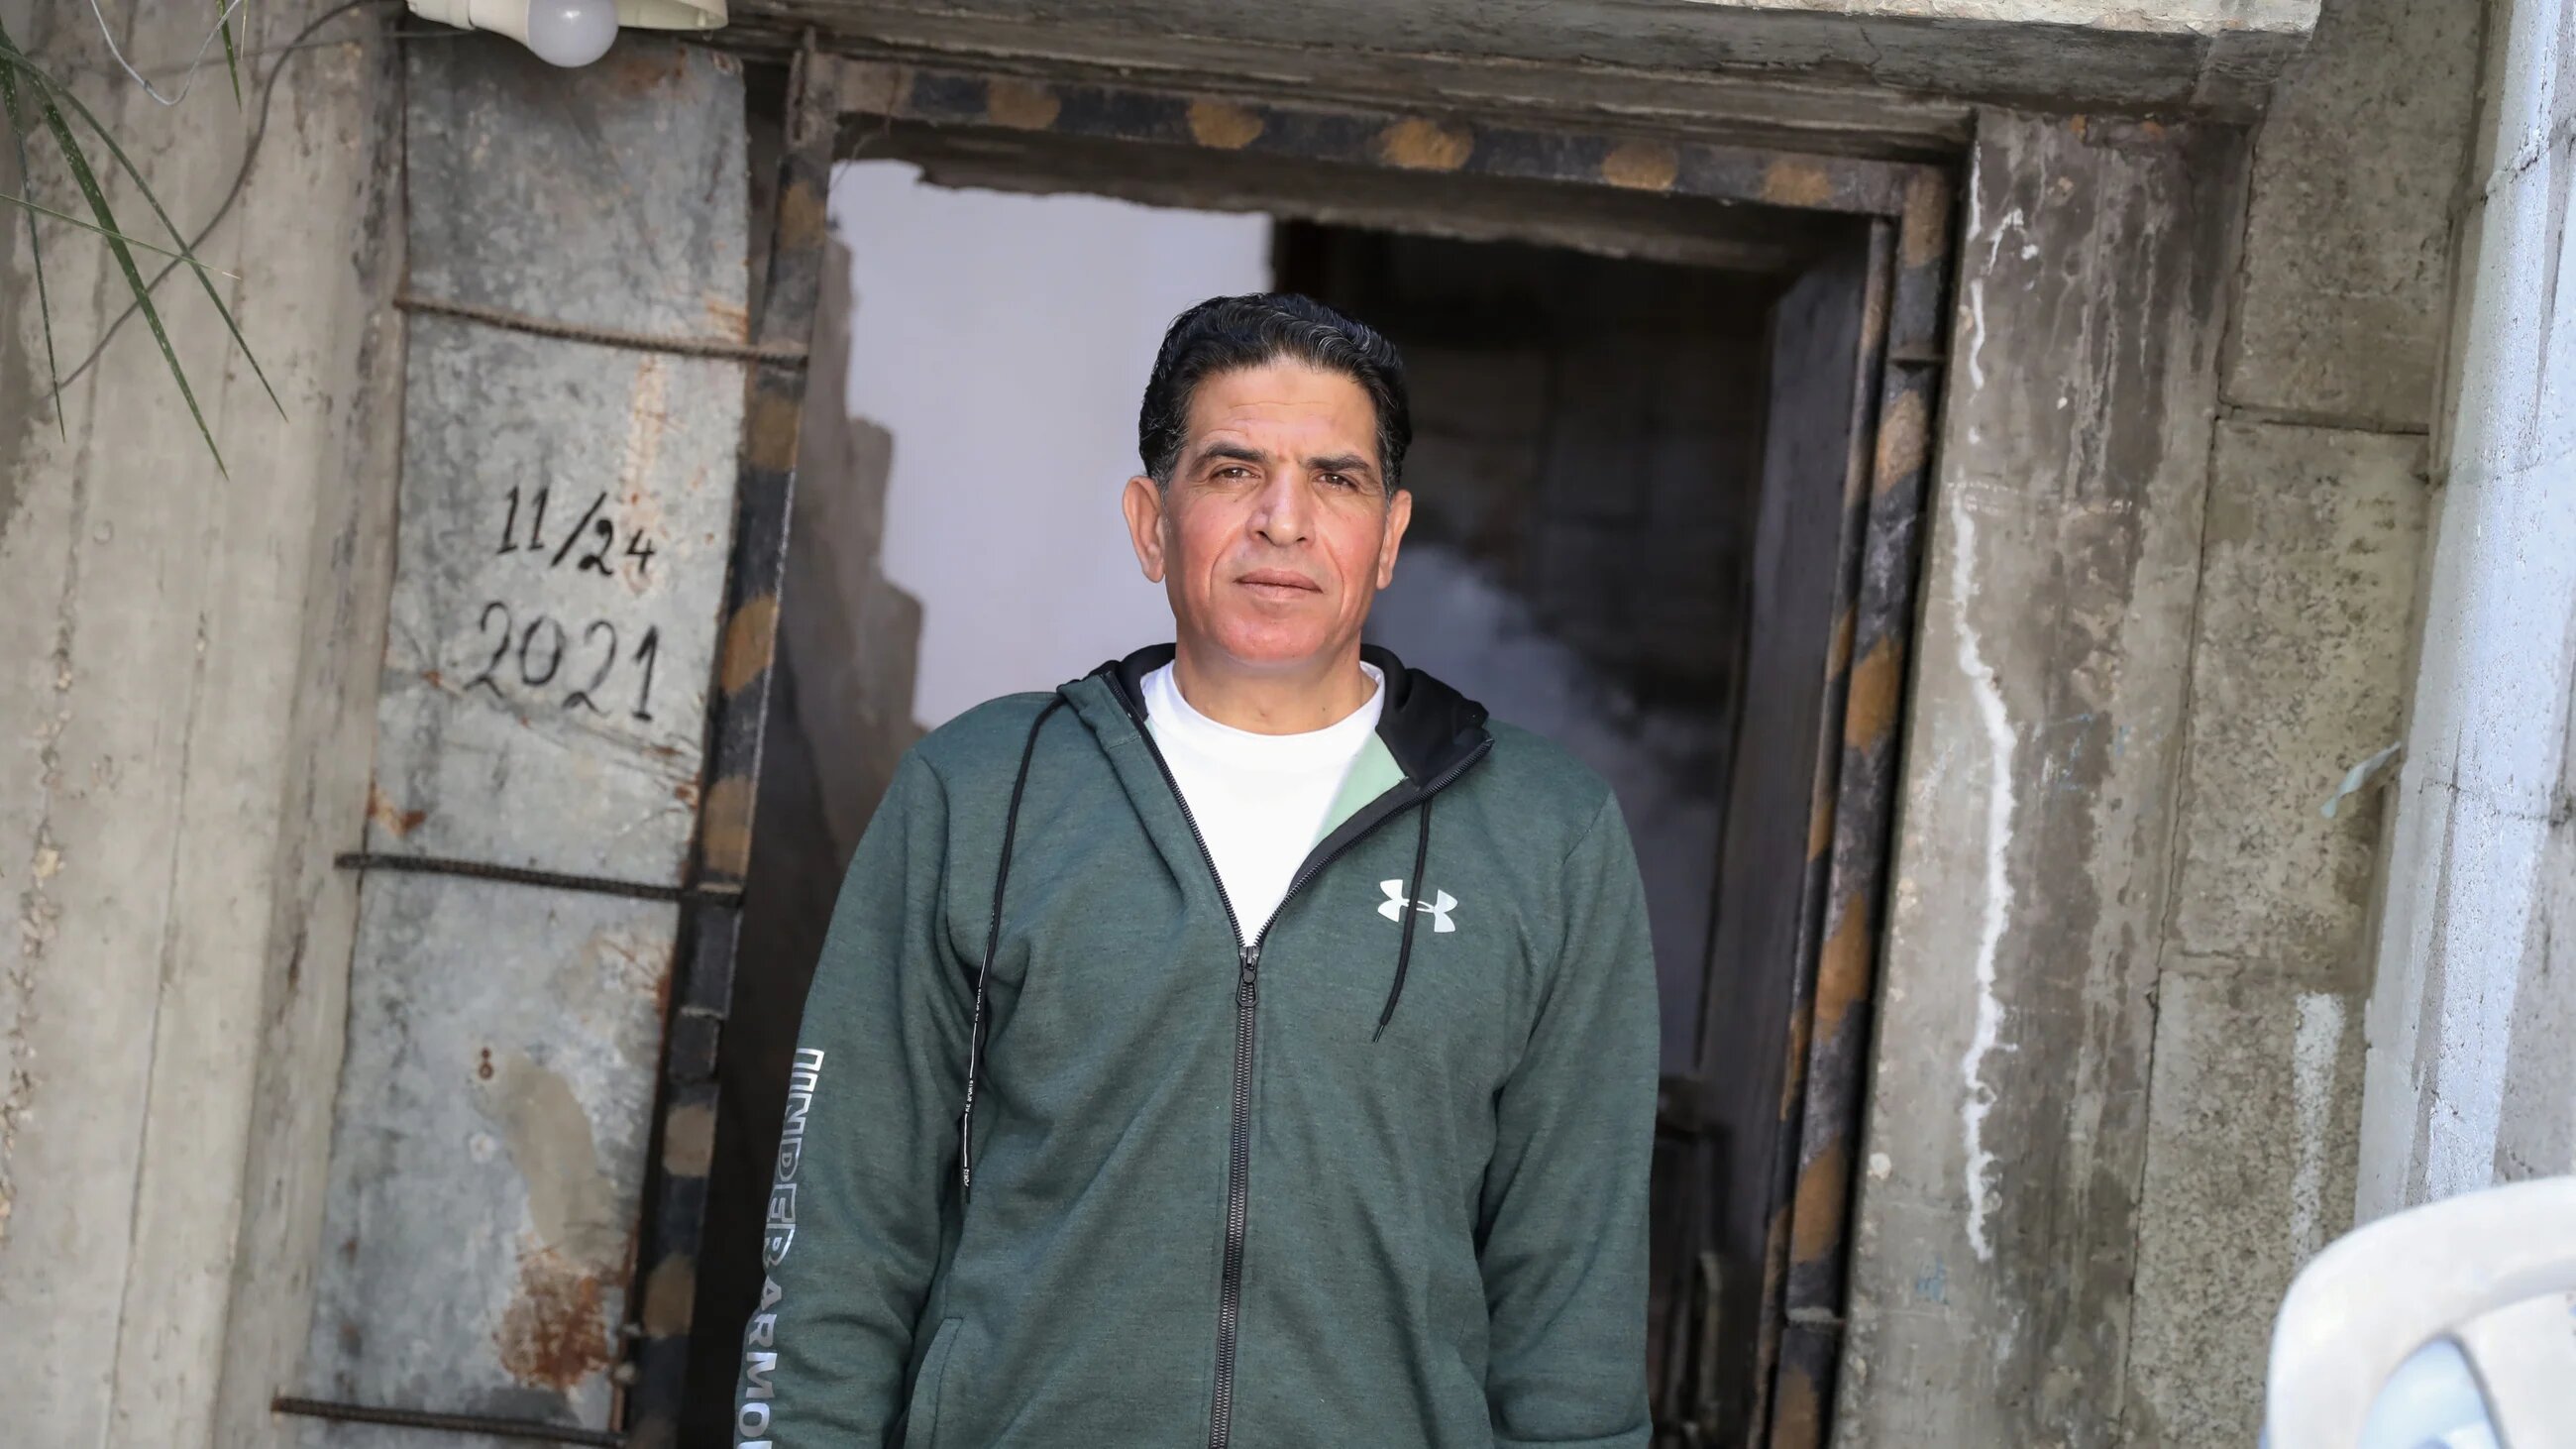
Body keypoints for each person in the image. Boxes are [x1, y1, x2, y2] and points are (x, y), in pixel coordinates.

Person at [737, 292, 1659, 1448]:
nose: (1283, 520)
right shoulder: (983, 790)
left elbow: (1569, 1290)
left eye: (1335, 479)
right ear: (1149, 521)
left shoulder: (1542, 832)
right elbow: (840, 1235)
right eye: (1232, 470)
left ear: (1388, 536)